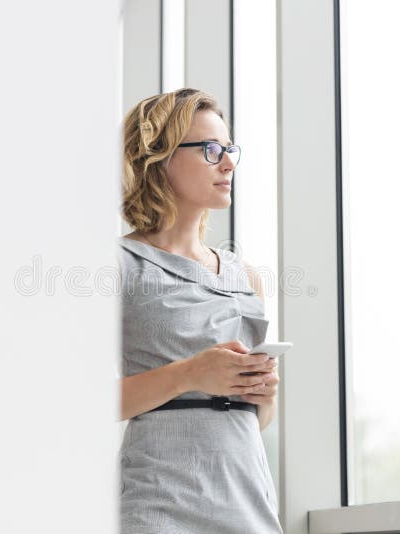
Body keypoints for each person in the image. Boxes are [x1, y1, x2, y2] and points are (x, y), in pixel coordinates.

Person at [117, 88, 283, 533]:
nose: (228, 163)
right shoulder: (120, 264)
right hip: (159, 509)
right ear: (159, 157)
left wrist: (263, 396)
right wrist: (190, 374)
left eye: (229, 149)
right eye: (211, 150)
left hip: (248, 507)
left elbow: (254, 419)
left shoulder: (246, 276)